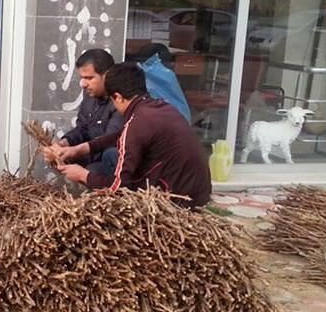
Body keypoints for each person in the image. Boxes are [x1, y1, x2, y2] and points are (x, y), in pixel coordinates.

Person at [50, 62, 211, 208]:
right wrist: (79, 149)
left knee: (105, 175)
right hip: (199, 193)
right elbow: (120, 136)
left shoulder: (137, 121)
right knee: (112, 157)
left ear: (118, 97)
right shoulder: (160, 107)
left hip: (177, 201)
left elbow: (118, 187)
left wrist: (83, 175)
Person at [56, 49, 125, 176]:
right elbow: (82, 127)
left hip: (112, 162)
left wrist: (75, 155)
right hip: (91, 155)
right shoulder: (89, 96)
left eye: (89, 78)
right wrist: (66, 142)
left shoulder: (120, 102)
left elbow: (109, 143)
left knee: (95, 169)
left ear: (107, 75)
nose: (83, 84)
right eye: (82, 78)